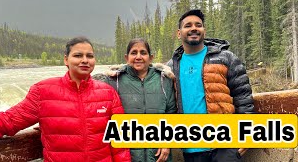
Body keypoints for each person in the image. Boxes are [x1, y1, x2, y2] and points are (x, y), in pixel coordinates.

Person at [0, 36, 131, 162]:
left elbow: (120, 144)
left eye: (89, 56)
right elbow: (6, 121)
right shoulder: (43, 91)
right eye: (78, 55)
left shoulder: (108, 93)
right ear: (66, 60)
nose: (85, 60)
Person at [167, 9, 255, 162]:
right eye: (188, 25)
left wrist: (246, 133)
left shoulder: (226, 58)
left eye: (198, 25)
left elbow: (243, 97)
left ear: (204, 30)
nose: (194, 28)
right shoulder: (171, 67)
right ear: (179, 33)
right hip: (191, 148)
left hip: (225, 146)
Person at [100, 38, 177, 162]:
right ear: (126, 57)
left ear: (151, 57)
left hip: (158, 154)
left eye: (143, 53)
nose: (138, 57)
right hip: (128, 155)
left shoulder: (164, 80)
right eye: (134, 53)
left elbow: (171, 113)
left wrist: (167, 142)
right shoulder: (115, 81)